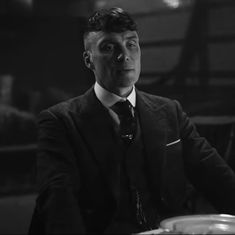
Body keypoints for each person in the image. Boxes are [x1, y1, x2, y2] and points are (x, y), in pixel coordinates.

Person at [29, 7, 235, 234]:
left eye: (131, 44)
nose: (124, 55)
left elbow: (217, 178)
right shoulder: (59, 122)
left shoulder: (169, 112)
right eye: (109, 47)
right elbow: (59, 205)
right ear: (88, 60)